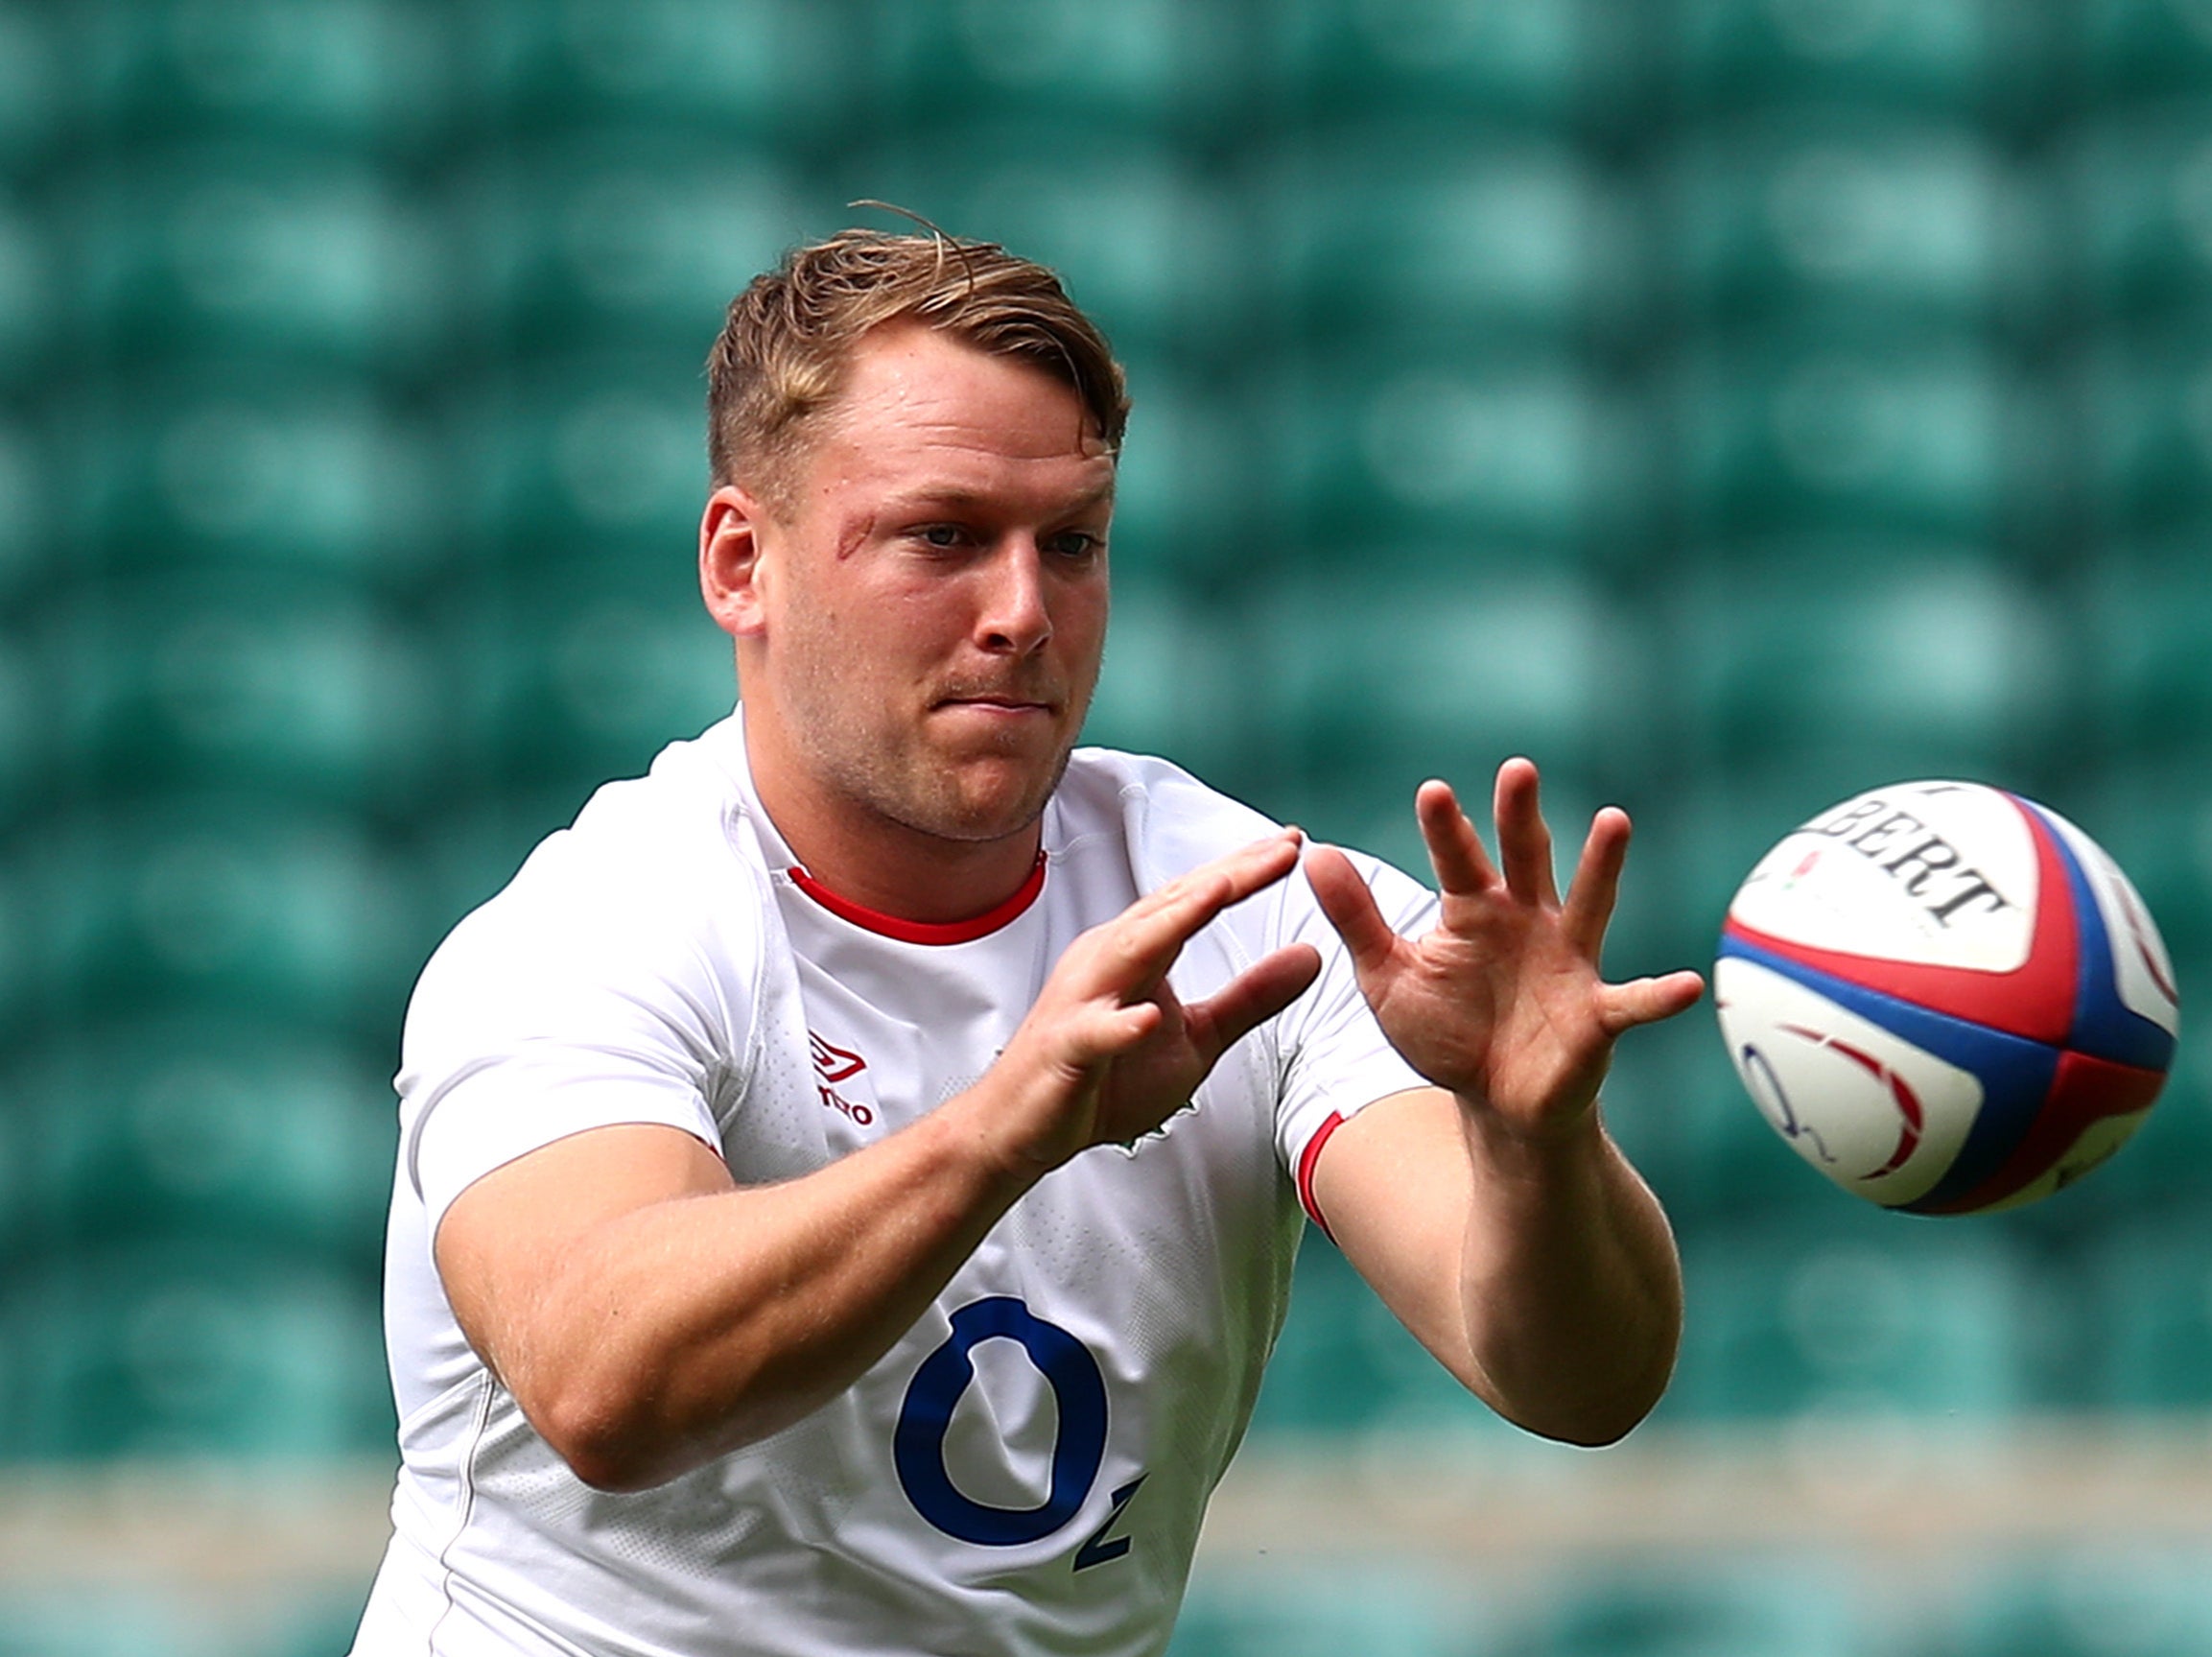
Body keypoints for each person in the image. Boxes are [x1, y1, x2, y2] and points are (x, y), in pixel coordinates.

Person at [348, 227, 1706, 1657]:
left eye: (1069, 545)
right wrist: (1008, 1128)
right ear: (742, 561)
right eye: (941, 537)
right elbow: (605, 1386)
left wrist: (1532, 1144)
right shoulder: (593, 930)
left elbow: (1574, 1382)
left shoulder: (1254, 916)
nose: (1020, 614)